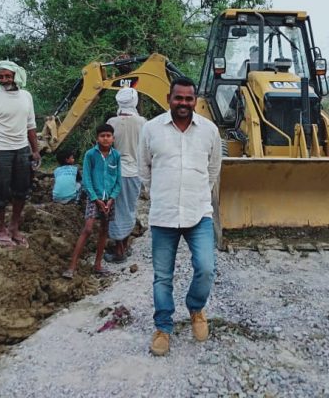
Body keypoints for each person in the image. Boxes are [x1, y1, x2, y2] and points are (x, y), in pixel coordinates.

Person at [138, 76, 222, 356]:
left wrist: (196, 193)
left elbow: (213, 169)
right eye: (179, 98)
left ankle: (196, 308)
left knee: (206, 268)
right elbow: (144, 169)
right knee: (162, 277)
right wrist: (162, 193)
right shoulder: (151, 129)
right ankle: (163, 327)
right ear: (168, 98)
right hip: (163, 216)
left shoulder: (209, 130)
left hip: (199, 212)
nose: (184, 103)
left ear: (195, 100)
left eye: (189, 98)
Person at [0, 60, 41, 248]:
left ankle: (14, 226)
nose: (4, 80)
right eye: (0, 77)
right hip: (0, 150)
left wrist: (35, 150)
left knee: (21, 190)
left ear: (15, 76)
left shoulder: (26, 97)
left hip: (22, 149)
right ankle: (0, 228)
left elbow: (31, 125)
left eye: (7, 76)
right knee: (0, 192)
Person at [63, 123, 122, 278]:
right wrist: (96, 199)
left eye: (108, 136)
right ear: (97, 138)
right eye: (102, 136)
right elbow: (86, 179)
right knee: (88, 228)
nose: (105, 138)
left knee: (104, 230)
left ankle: (98, 265)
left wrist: (111, 198)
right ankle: (72, 266)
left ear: (113, 138)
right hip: (93, 198)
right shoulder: (90, 155)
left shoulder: (116, 156)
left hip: (109, 199)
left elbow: (118, 180)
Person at [105, 87, 147, 263]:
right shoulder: (143, 123)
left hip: (115, 173)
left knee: (115, 211)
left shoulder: (112, 122)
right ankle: (125, 245)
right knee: (129, 209)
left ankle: (119, 251)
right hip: (135, 174)